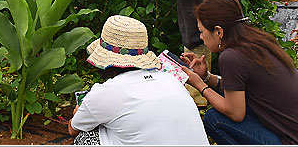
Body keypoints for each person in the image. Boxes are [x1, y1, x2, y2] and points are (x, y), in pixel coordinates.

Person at [181, 0, 298, 145]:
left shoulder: (230, 57)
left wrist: (200, 85)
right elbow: (238, 89)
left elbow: (235, 113)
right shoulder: (256, 41)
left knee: (214, 119)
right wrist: (206, 77)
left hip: (296, 142)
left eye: (202, 31)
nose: (201, 37)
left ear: (219, 32)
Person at [67, 15, 208, 145]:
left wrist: (78, 114)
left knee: (85, 137)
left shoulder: (105, 92)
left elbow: (73, 130)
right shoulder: (170, 79)